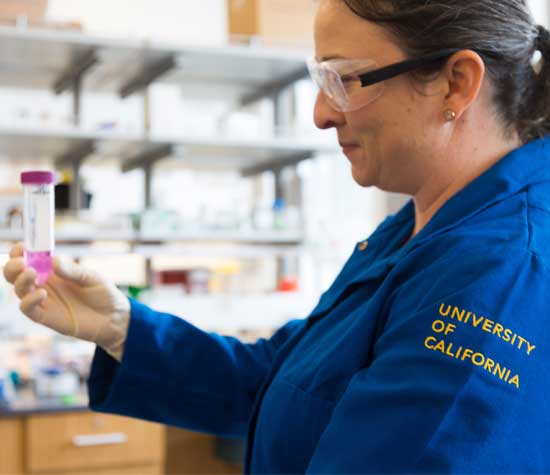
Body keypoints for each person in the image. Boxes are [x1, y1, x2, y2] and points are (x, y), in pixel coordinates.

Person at [4, 0, 550, 472]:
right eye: (320, 81)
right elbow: (282, 378)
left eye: (344, 79)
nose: (319, 113)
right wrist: (119, 326)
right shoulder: (410, 232)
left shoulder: (496, 272)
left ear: (457, 82)